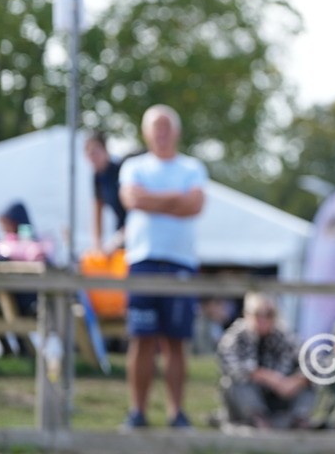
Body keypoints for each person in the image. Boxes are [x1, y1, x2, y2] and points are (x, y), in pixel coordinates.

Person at [118, 104, 206, 430]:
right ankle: (137, 412)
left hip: (181, 263)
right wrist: (175, 200)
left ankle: (176, 413)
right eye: (157, 127)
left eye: (167, 126)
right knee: (141, 339)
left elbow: (194, 205)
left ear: (177, 132)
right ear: (146, 133)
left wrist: (152, 200)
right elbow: (133, 200)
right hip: (142, 262)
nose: (162, 133)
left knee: (176, 342)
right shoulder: (133, 166)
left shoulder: (192, 167)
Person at [216, 292, 316, 429]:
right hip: (248, 401)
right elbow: (232, 366)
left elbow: (314, 363)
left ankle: (299, 421)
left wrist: (296, 381)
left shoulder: (285, 336)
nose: (263, 319)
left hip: (280, 398)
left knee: (309, 382)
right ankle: (258, 420)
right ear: (246, 314)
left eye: (269, 314)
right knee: (234, 382)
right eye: (258, 313)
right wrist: (269, 378)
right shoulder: (234, 337)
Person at [85, 132, 129, 253]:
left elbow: (135, 211)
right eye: (89, 153)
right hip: (120, 230)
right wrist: (97, 244)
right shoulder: (97, 177)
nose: (92, 156)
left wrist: (117, 240)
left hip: (132, 229)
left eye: (95, 152)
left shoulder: (120, 170)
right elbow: (97, 209)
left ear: (105, 150)